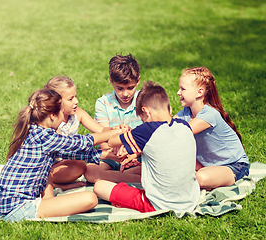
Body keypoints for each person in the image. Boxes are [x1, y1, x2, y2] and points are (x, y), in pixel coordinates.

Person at [0, 89, 121, 222]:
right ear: (52, 115)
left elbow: (72, 153)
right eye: (61, 112)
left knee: (48, 170)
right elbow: (80, 143)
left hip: (5, 205)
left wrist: (109, 155)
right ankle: (49, 205)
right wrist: (112, 133)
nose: (63, 116)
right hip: (16, 209)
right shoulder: (45, 137)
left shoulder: (35, 131)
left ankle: (50, 202)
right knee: (90, 198)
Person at [93, 81, 200, 214]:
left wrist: (122, 129)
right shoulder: (185, 126)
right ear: (169, 109)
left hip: (158, 204)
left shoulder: (147, 130)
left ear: (145, 111)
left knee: (99, 186)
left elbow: (112, 142)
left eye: (142, 119)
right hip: (191, 200)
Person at [44, 76, 127, 190]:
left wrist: (116, 129)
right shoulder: (53, 122)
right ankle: (53, 184)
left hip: (71, 160)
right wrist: (106, 154)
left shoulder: (77, 113)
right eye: (70, 99)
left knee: (85, 167)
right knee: (80, 166)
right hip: (52, 167)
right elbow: (67, 151)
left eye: (76, 96)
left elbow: (101, 130)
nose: (76, 101)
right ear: (56, 102)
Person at [175, 67, 249, 190]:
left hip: (233, 166)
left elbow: (179, 133)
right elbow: (165, 130)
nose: (178, 92)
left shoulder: (209, 115)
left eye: (182, 89)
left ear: (199, 92)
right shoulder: (186, 113)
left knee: (200, 178)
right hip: (205, 165)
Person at [84, 54, 144, 183]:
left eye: (130, 88)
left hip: (138, 155)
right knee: (90, 170)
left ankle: (120, 177)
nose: (125, 94)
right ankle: (127, 177)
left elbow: (149, 136)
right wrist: (117, 153)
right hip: (110, 155)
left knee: (151, 167)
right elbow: (102, 139)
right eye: (120, 88)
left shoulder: (144, 100)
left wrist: (133, 153)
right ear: (112, 81)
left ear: (138, 81)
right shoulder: (103, 103)